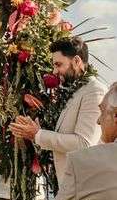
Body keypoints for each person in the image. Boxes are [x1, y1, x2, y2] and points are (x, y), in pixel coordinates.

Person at [9, 37, 105, 183]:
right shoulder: (72, 90)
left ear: (77, 61)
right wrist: (33, 128)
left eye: (58, 64)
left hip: (84, 185)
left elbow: (84, 144)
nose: (54, 71)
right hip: (70, 185)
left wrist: (37, 134)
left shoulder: (94, 91)